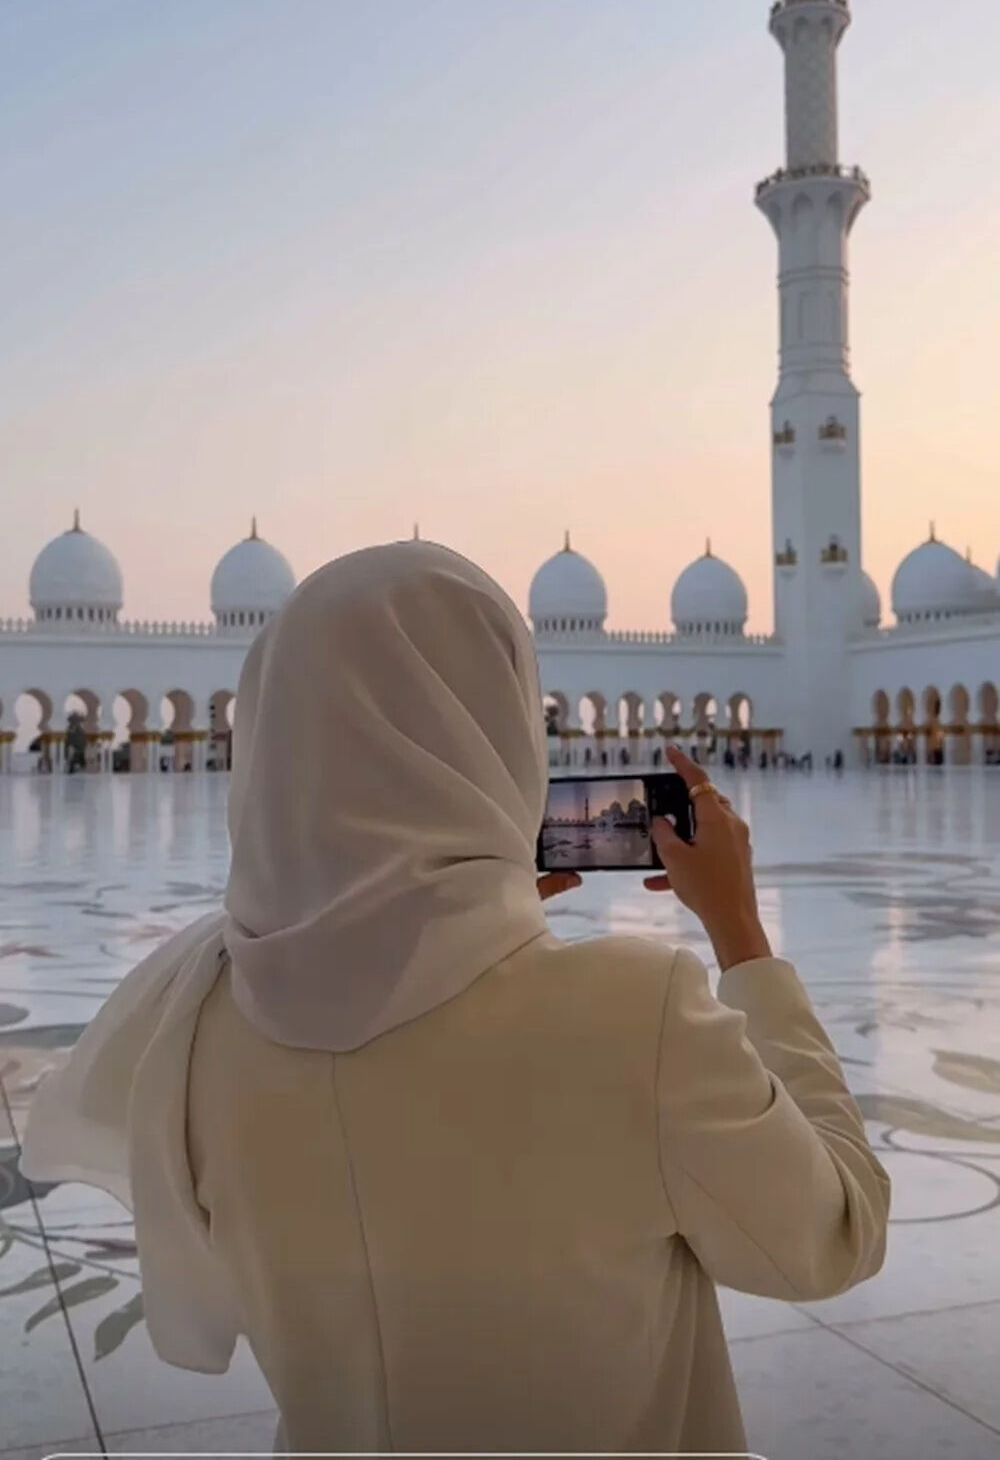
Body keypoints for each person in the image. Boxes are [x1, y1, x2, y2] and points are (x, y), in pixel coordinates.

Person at [22, 541, 890, 1457]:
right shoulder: (639, 1016)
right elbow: (833, 1235)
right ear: (501, 727)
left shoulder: (194, 1024)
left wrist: (478, 916)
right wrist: (742, 939)